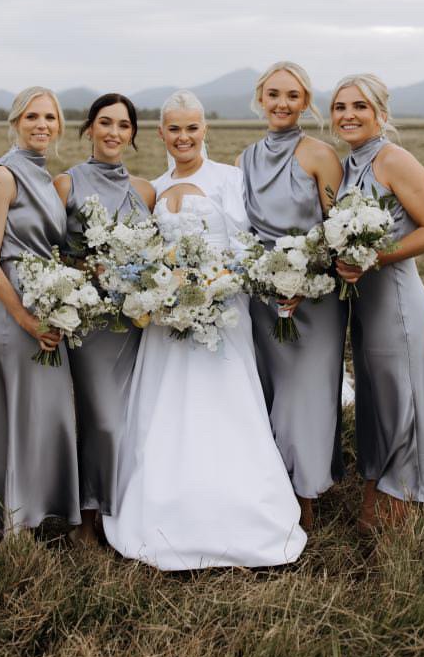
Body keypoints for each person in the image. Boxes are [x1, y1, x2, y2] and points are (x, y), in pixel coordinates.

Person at [102, 91, 307, 570]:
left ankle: (245, 517)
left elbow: (249, 245)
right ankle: (161, 511)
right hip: (165, 323)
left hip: (223, 314)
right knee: (164, 409)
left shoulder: (231, 181)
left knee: (227, 407)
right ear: (161, 134)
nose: (184, 137)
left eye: (192, 128)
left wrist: (214, 288)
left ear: (205, 130)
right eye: (174, 129)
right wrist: (162, 290)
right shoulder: (151, 188)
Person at [331, 74, 424, 531]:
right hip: (364, 303)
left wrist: (374, 258)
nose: (348, 114)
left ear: (381, 114)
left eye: (360, 106)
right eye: (340, 106)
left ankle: (398, 499)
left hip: (397, 299)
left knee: (400, 395)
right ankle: (378, 486)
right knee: (375, 396)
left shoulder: (395, 159)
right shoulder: (348, 166)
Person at [238, 62, 349, 531]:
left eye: (292, 95)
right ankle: (275, 487)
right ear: (260, 98)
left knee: (305, 393)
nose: (282, 103)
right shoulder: (245, 157)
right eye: (273, 94)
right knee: (270, 392)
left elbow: (338, 230)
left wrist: (305, 278)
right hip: (264, 295)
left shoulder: (320, 155)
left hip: (316, 296)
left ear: (306, 102)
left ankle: (306, 494)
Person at [0, 87, 80, 536]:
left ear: (58, 125)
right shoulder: (3, 175)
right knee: (16, 416)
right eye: (32, 116)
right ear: (15, 122)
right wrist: (25, 319)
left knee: (46, 414)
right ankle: (12, 518)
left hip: (48, 309)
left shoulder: (46, 175)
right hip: (13, 316)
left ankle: (40, 508)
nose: (41, 125)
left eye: (49, 118)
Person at [54, 94, 155, 544]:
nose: (114, 132)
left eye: (124, 125)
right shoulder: (66, 184)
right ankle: (87, 519)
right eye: (105, 122)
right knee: (103, 420)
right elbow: (50, 254)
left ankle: (125, 518)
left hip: (136, 323)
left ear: (133, 133)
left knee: (134, 418)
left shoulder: (146, 190)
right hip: (92, 323)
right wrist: (83, 270)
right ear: (89, 128)